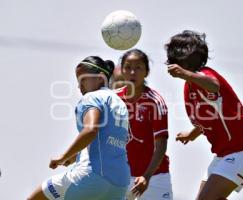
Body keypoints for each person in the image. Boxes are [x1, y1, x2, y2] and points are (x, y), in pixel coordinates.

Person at [165, 30, 243, 200]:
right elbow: (210, 116)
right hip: (225, 153)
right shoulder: (189, 87)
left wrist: (185, 73)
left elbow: (214, 85)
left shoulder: (205, 74)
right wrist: (193, 132)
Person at [27, 56, 130, 200]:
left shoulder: (91, 97)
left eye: (82, 80)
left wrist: (64, 157)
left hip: (91, 177)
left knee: (36, 197)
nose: (79, 86)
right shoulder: (120, 103)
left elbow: (90, 130)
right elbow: (108, 141)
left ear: (100, 78)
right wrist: (75, 156)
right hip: (120, 183)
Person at [114, 49, 173, 200]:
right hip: (120, 178)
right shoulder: (112, 99)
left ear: (146, 72)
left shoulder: (155, 102)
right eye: (128, 67)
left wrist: (146, 177)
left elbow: (161, 144)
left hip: (154, 178)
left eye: (138, 67)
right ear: (122, 70)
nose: (132, 72)